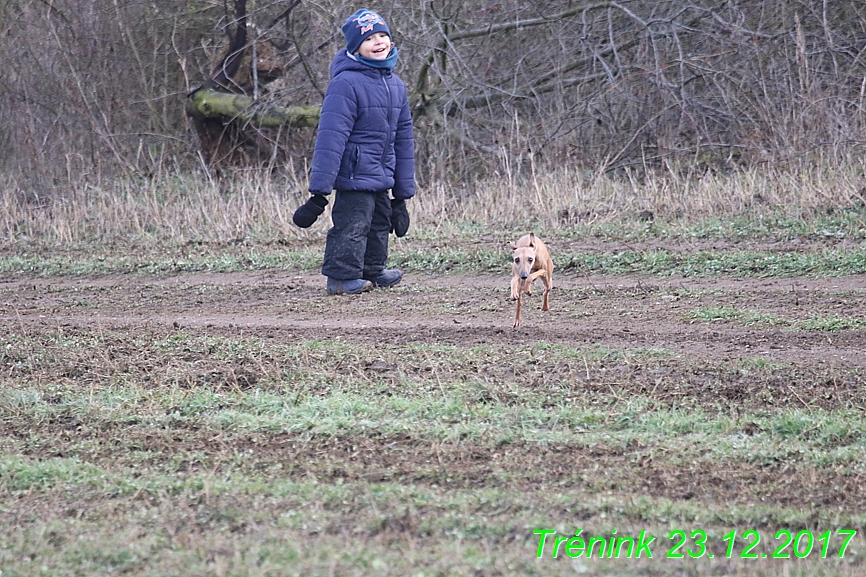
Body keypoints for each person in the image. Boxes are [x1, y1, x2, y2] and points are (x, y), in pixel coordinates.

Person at [293, 8, 415, 295]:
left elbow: (404, 139)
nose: (379, 42)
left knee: (379, 224)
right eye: (370, 38)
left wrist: (403, 192)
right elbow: (331, 138)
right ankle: (341, 277)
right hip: (353, 174)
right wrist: (320, 189)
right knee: (352, 226)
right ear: (355, 47)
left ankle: (373, 270)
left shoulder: (396, 86)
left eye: (383, 35)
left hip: (382, 174)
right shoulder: (345, 83)